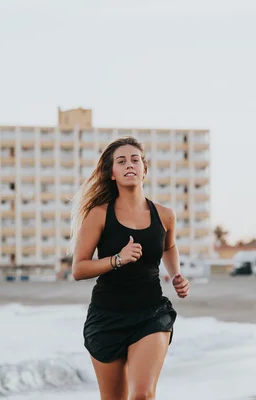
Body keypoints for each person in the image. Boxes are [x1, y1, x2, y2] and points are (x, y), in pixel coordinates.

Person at [71, 136, 190, 400]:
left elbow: (169, 247)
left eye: (135, 160)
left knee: (142, 395)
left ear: (144, 169)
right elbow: (78, 269)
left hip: (151, 313)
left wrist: (176, 274)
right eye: (121, 161)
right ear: (112, 173)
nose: (129, 165)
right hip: (107, 317)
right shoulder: (99, 214)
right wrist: (117, 259)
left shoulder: (165, 214)